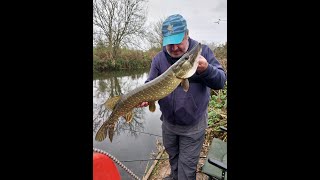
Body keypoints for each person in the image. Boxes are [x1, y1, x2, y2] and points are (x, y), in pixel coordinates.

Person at [139, 14, 226, 180]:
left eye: (178, 41)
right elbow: (150, 82)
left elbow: (221, 81)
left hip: (193, 125)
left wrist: (207, 69)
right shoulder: (158, 59)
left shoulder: (203, 52)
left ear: (187, 34)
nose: (174, 47)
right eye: (169, 43)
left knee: (186, 170)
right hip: (169, 124)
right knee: (174, 160)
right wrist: (145, 96)